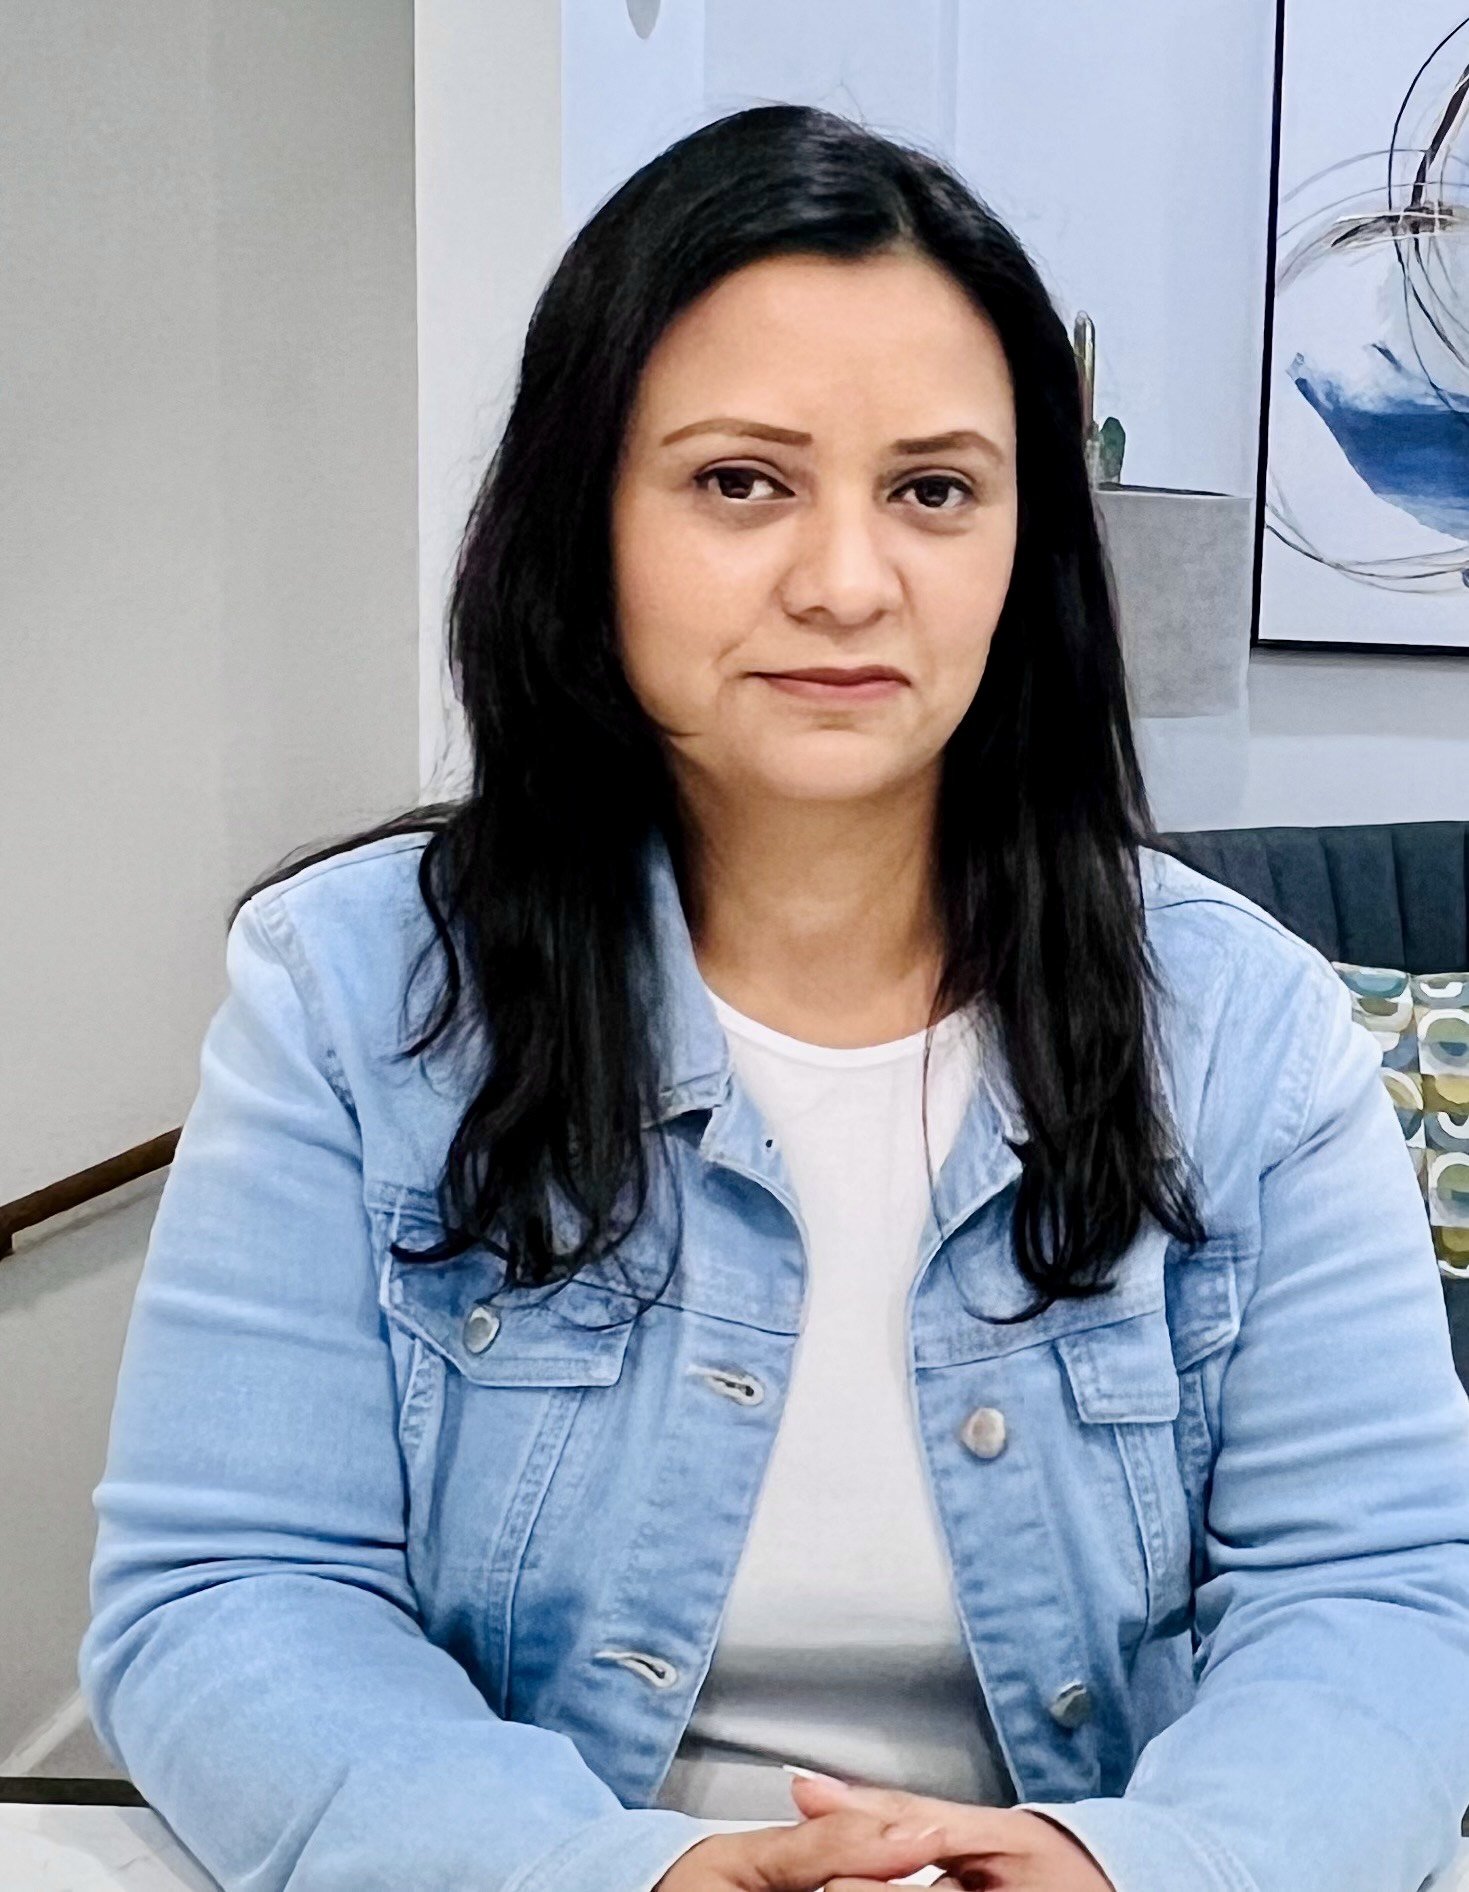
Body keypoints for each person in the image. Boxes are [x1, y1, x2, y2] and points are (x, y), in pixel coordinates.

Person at [78, 103, 1469, 1892]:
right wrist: (606, 1878)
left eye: (934, 489)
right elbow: (231, 1595)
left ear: (1022, 549)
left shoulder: (1246, 1033)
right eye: (739, 481)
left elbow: (1381, 1593)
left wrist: (1142, 1869)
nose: (842, 579)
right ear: (586, 520)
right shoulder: (353, 999)